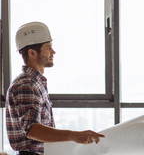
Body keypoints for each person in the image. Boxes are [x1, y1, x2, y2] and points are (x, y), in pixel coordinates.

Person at [5, 22, 105, 155]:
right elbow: (32, 130)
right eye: (48, 47)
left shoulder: (35, 83)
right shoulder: (26, 85)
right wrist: (74, 136)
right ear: (32, 53)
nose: (53, 52)